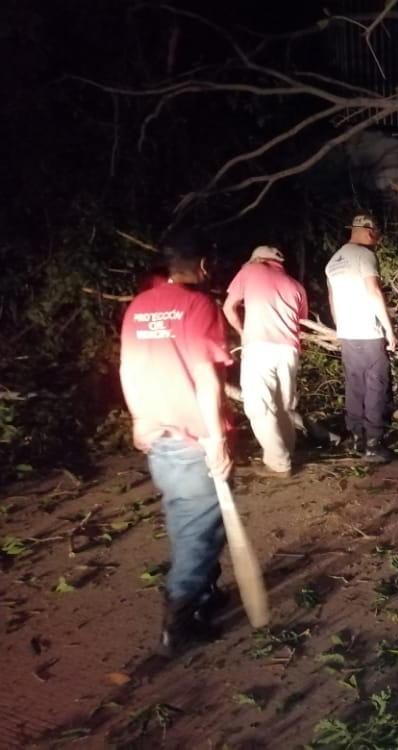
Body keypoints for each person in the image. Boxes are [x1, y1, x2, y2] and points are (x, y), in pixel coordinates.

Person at [119, 229, 233, 656]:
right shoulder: (199, 305)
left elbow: (128, 368)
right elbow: (207, 377)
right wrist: (217, 439)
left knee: (187, 518)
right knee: (199, 529)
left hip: (158, 435)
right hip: (194, 437)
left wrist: (138, 420)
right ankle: (180, 618)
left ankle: (205, 593)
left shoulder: (139, 306)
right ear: (203, 265)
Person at [223, 245, 308, 477]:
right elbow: (301, 321)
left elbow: (228, 307)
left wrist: (242, 331)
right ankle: (288, 452)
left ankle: (279, 463)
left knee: (260, 406)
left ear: (257, 259)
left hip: (259, 348)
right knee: (284, 404)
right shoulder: (295, 285)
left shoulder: (251, 270)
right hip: (289, 351)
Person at [325, 214, 397, 462]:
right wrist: (389, 329)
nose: (376, 238)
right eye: (375, 232)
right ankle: (373, 444)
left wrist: (341, 327)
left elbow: (332, 301)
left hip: (347, 333)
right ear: (367, 231)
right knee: (376, 387)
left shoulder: (333, 261)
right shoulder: (365, 256)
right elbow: (374, 291)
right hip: (368, 333)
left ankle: (356, 438)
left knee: (354, 386)